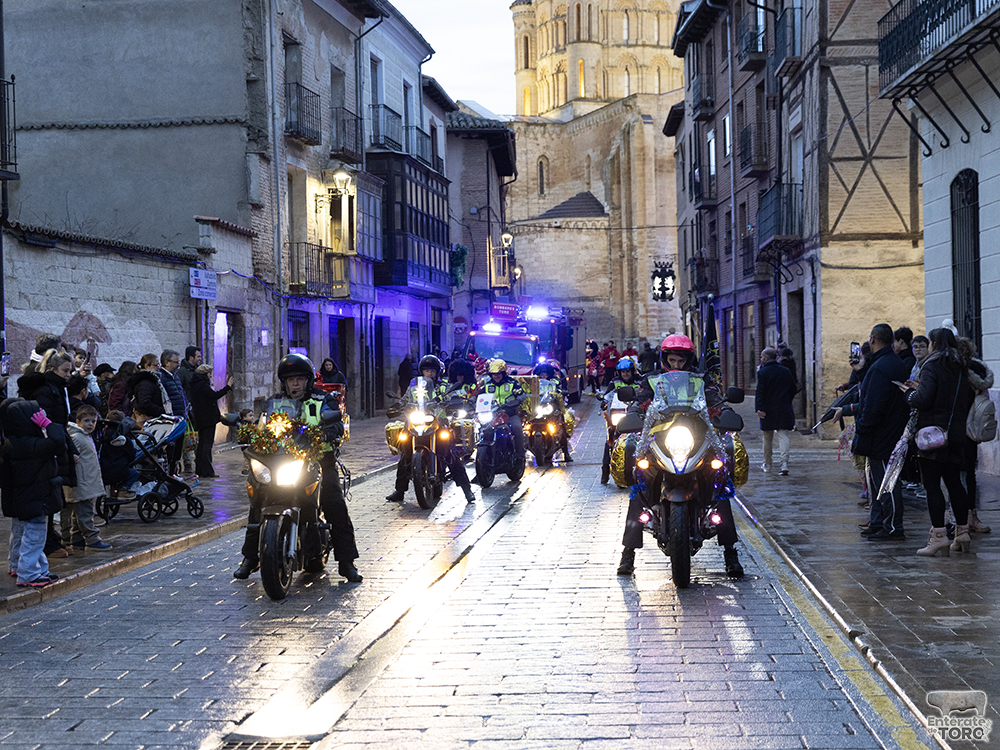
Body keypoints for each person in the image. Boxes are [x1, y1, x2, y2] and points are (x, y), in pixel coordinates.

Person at [616, 334, 745, 579]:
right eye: (672, 360)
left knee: (721, 487)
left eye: (681, 361)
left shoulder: (701, 381)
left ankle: (731, 553)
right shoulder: (651, 381)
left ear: (689, 360)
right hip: (660, 441)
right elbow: (639, 400)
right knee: (639, 487)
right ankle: (628, 554)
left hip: (696, 437)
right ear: (664, 358)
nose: (676, 365)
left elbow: (715, 398)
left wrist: (725, 411)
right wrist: (632, 414)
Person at [234, 353, 361, 582]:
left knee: (334, 501)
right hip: (280, 460)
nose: (295, 383)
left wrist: (330, 431)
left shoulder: (323, 401)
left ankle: (346, 561)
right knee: (257, 499)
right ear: (284, 382)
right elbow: (262, 424)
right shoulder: (274, 403)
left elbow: (337, 425)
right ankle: (251, 557)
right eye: (290, 379)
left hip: (318, 459)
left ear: (308, 380)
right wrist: (250, 431)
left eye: (300, 379)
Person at [901, 328, 975, 556]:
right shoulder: (961, 366)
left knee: (932, 485)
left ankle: (939, 536)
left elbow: (923, 400)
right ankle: (962, 533)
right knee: (954, 483)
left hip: (932, 435)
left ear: (933, 343)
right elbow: (967, 397)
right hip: (955, 434)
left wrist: (909, 394)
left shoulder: (932, 365)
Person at [836, 324, 911, 541]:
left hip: (882, 433)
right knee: (877, 481)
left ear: (873, 339)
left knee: (886, 481)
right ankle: (879, 522)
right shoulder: (890, 363)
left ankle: (893, 527)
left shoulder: (881, 367)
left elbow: (873, 404)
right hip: (890, 430)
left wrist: (864, 428)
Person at [386, 355, 476, 504]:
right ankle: (400, 490)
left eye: (432, 370)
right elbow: (405, 400)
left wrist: (455, 401)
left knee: (451, 454)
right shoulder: (414, 388)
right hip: (416, 422)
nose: (429, 373)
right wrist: (398, 405)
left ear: (438, 371)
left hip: (438, 422)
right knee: (404, 452)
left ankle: (467, 489)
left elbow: (454, 396)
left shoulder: (444, 386)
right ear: (422, 372)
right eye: (427, 370)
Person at [17, 350, 78, 558]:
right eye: (65, 371)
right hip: (48, 448)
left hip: (56, 444)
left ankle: (52, 539)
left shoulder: (58, 388)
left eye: (70, 371)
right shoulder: (46, 390)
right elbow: (46, 421)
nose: (69, 375)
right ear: (53, 369)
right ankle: (48, 544)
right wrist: (56, 442)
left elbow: (61, 422)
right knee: (49, 496)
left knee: (54, 495)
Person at [0, 397, 64, 587]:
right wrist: (48, 424)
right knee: (35, 535)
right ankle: (29, 573)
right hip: (35, 496)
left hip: (22, 497)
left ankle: (26, 566)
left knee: (22, 532)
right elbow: (59, 442)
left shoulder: (11, 442)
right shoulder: (32, 445)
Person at [956, 336, 993, 534]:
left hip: (959, 427)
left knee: (958, 474)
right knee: (969, 473)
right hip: (972, 428)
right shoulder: (978, 371)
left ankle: (962, 518)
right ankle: (970, 516)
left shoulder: (957, 372)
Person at [62, 404, 112, 550]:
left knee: (76, 512)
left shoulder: (83, 436)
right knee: (85, 512)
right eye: (87, 421)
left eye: (93, 421)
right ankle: (92, 538)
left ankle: (74, 538)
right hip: (81, 482)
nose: (90, 424)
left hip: (84, 481)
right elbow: (68, 453)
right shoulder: (77, 437)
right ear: (78, 421)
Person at [756, 348, 797, 476]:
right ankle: (784, 463)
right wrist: (787, 400)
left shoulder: (763, 372)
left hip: (767, 409)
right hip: (783, 407)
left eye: (762, 356)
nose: (761, 359)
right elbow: (793, 388)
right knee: (783, 436)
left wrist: (759, 408)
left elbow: (760, 392)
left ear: (766, 358)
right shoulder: (785, 371)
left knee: (767, 438)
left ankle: (767, 464)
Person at [600, 356, 640, 484]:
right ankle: (605, 469)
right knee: (610, 438)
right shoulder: (614, 382)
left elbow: (647, 394)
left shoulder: (640, 381)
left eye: (628, 371)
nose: (626, 374)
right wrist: (604, 402)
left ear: (632, 371)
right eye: (623, 372)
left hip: (635, 415)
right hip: (619, 413)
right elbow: (607, 395)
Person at [189, 364, 233, 479]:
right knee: (206, 445)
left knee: (202, 444)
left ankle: (200, 470)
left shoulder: (194, 384)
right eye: (209, 373)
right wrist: (227, 387)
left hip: (200, 418)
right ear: (205, 374)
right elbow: (214, 395)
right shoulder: (203, 385)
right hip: (207, 418)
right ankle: (207, 471)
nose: (210, 376)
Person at [479, 358, 527, 459]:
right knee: (483, 429)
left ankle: (520, 455)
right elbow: (478, 396)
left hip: (510, 414)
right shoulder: (487, 385)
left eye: (498, 373)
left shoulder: (512, 383)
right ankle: (484, 460)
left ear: (504, 373)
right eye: (493, 373)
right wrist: (470, 402)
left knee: (517, 427)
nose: (496, 376)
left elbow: (521, 395)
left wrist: (515, 401)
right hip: (492, 415)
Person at [533, 360, 573, 463]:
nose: (543, 376)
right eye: (541, 375)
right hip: (538, 407)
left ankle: (566, 453)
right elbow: (529, 392)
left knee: (561, 424)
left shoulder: (555, 381)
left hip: (552, 406)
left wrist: (559, 393)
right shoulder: (534, 383)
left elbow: (558, 390)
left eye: (545, 374)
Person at [177, 346, 202, 475]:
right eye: (198, 356)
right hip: (188, 408)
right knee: (187, 436)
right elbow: (179, 390)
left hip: (197, 408)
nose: (200, 358)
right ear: (191, 357)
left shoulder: (197, 371)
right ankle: (187, 462)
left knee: (197, 435)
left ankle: (199, 462)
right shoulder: (182, 372)